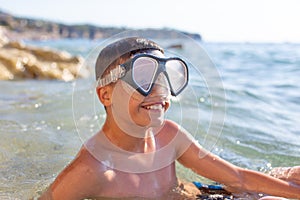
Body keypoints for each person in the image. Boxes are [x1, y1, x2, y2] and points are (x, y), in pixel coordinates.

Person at [39, 37, 300, 200]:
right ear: (106, 95)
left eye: (165, 80)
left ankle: (281, 175)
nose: (158, 92)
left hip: (197, 193)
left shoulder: (169, 136)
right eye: (142, 79)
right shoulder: (92, 170)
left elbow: (237, 178)